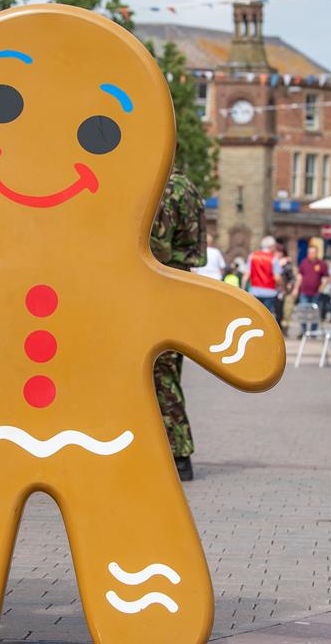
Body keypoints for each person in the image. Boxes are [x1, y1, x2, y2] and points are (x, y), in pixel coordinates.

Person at [150, 166, 206, 481]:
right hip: (179, 282)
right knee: (168, 369)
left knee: (160, 375)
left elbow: (158, 244)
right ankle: (174, 452)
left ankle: (178, 452)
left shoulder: (162, 186)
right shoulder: (187, 186)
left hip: (157, 284)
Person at [293, 244, 328, 336]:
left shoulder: (321, 264)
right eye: (309, 252)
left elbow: (326, 277)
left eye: (312, 252)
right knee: (303, 310)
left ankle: (313, 331)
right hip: (304, 292)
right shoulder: (304, 262)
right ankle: (304, 331)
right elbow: (300, 276)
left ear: (316, 253)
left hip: (316, 292)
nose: (310, 254)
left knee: (315, 312)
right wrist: (296, 289)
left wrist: (322, 287)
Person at [243, 237, 279, 320]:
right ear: (271, 246)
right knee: (267, 317)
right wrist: (282, 286)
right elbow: (277, 278)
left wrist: (244, 288)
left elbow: (246, 274)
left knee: (254, 315)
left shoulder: (253, 256)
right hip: (270, 292)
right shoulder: (273, 258)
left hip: (254, 291)